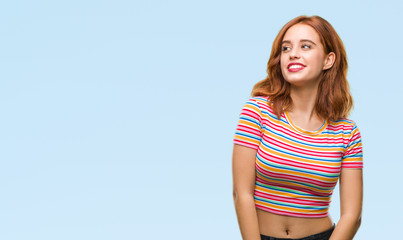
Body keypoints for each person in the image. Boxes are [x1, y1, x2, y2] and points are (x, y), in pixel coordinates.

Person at [232, 15, 363, 240]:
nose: (293, 53)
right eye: (286, 48)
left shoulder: (347, 133)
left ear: (328, 60)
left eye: (305, 46)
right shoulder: (258, 111)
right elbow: (241, 193)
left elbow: (352, 215)